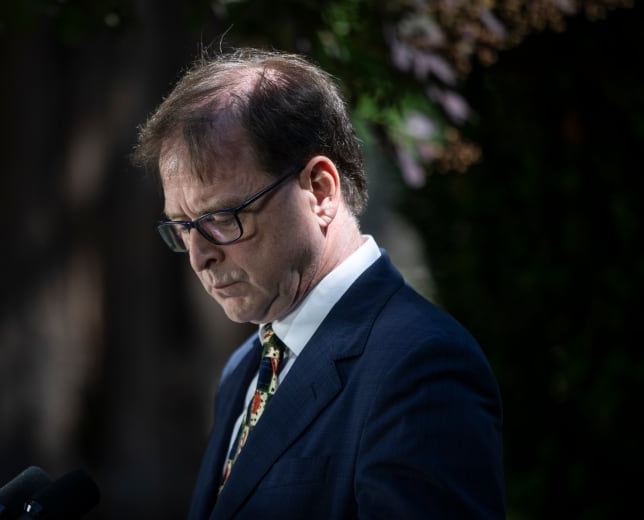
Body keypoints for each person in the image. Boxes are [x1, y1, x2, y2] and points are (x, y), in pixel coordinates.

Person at [132, 47, 504, 519]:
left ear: (321, 190)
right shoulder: (245, 368)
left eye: (222, 218)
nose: (200, 255)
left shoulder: (420, 363)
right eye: (182, 226)